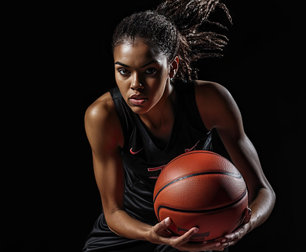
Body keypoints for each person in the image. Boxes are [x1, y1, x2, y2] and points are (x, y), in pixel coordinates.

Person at [82, 0, 276, 251]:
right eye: (124, 71)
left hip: (198, 225)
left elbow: (263, 190)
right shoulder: (104, 116)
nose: (135, 84)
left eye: (149, 71)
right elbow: (113, 212)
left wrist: (244, 226)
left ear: (171, 67)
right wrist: (152, 234)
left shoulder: (210, 101)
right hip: (134, 227)